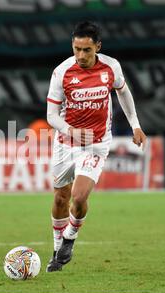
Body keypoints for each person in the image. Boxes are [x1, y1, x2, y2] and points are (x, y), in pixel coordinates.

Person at [45, 21, 146, 272]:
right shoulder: (62, 72)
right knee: (60, 198)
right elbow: (51, 115)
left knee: (78, 198)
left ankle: (69, 237)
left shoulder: (111, 67)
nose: (80, 55)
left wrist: (135, 124)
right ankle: (57, 249)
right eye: (76, 49)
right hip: (65, 142)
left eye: (86, 50)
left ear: (97, 47)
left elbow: (123, 92)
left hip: (96, 142)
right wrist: (71, 131)